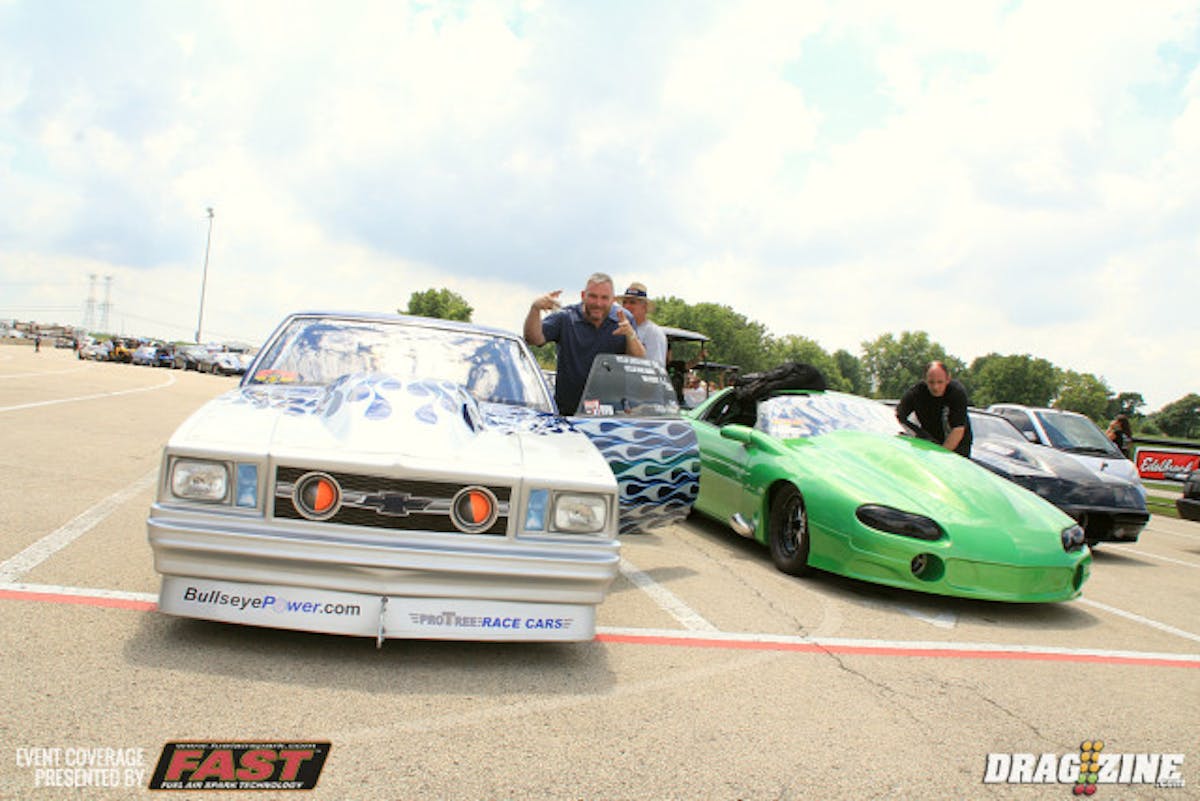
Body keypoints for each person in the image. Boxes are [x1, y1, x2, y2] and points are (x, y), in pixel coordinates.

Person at [524, 272, 645, 415]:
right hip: (569, 413)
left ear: (613, 300)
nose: (598, 303)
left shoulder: (624, 319)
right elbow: (533, 338)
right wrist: (535, 309)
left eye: (604, 298)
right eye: (593, 296)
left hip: (612, 414)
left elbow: (639, 359)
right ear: (583, 296)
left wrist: (631, 335)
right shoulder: (566, 317)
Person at [895, 361, 973, 456]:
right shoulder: (915, 394)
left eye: (940, 382)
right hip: (929, 443)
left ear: (948, 379)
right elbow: (899, 417)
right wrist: (917, 434)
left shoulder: (957, 393)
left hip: (958, 444)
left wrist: (940, 456)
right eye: (931, 382)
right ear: (925, 380)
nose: (936, 387)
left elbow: (958, 430)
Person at [616, 282, 667, 367]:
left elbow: (656, 367)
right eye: (624, 302)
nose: (627, 306)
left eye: (632, 302)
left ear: (644, 307)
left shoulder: (654, 333)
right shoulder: (619, 329)